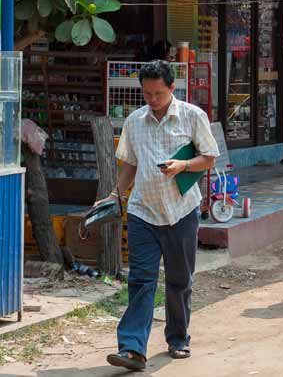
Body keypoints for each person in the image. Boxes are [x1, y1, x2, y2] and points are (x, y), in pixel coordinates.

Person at [102, 60, 220, 372]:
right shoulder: (134, 121)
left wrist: (183, 166)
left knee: (180, 280)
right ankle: (132, 348)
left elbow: (209, 158)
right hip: (143, 211)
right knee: (141, 279)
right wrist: (116, 194)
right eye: (147, 93)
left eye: (158, 93)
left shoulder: (193, 116)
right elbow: (128, 164)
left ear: (171, 88)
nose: (152, 99)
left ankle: (178, 338)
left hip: (182, 211)